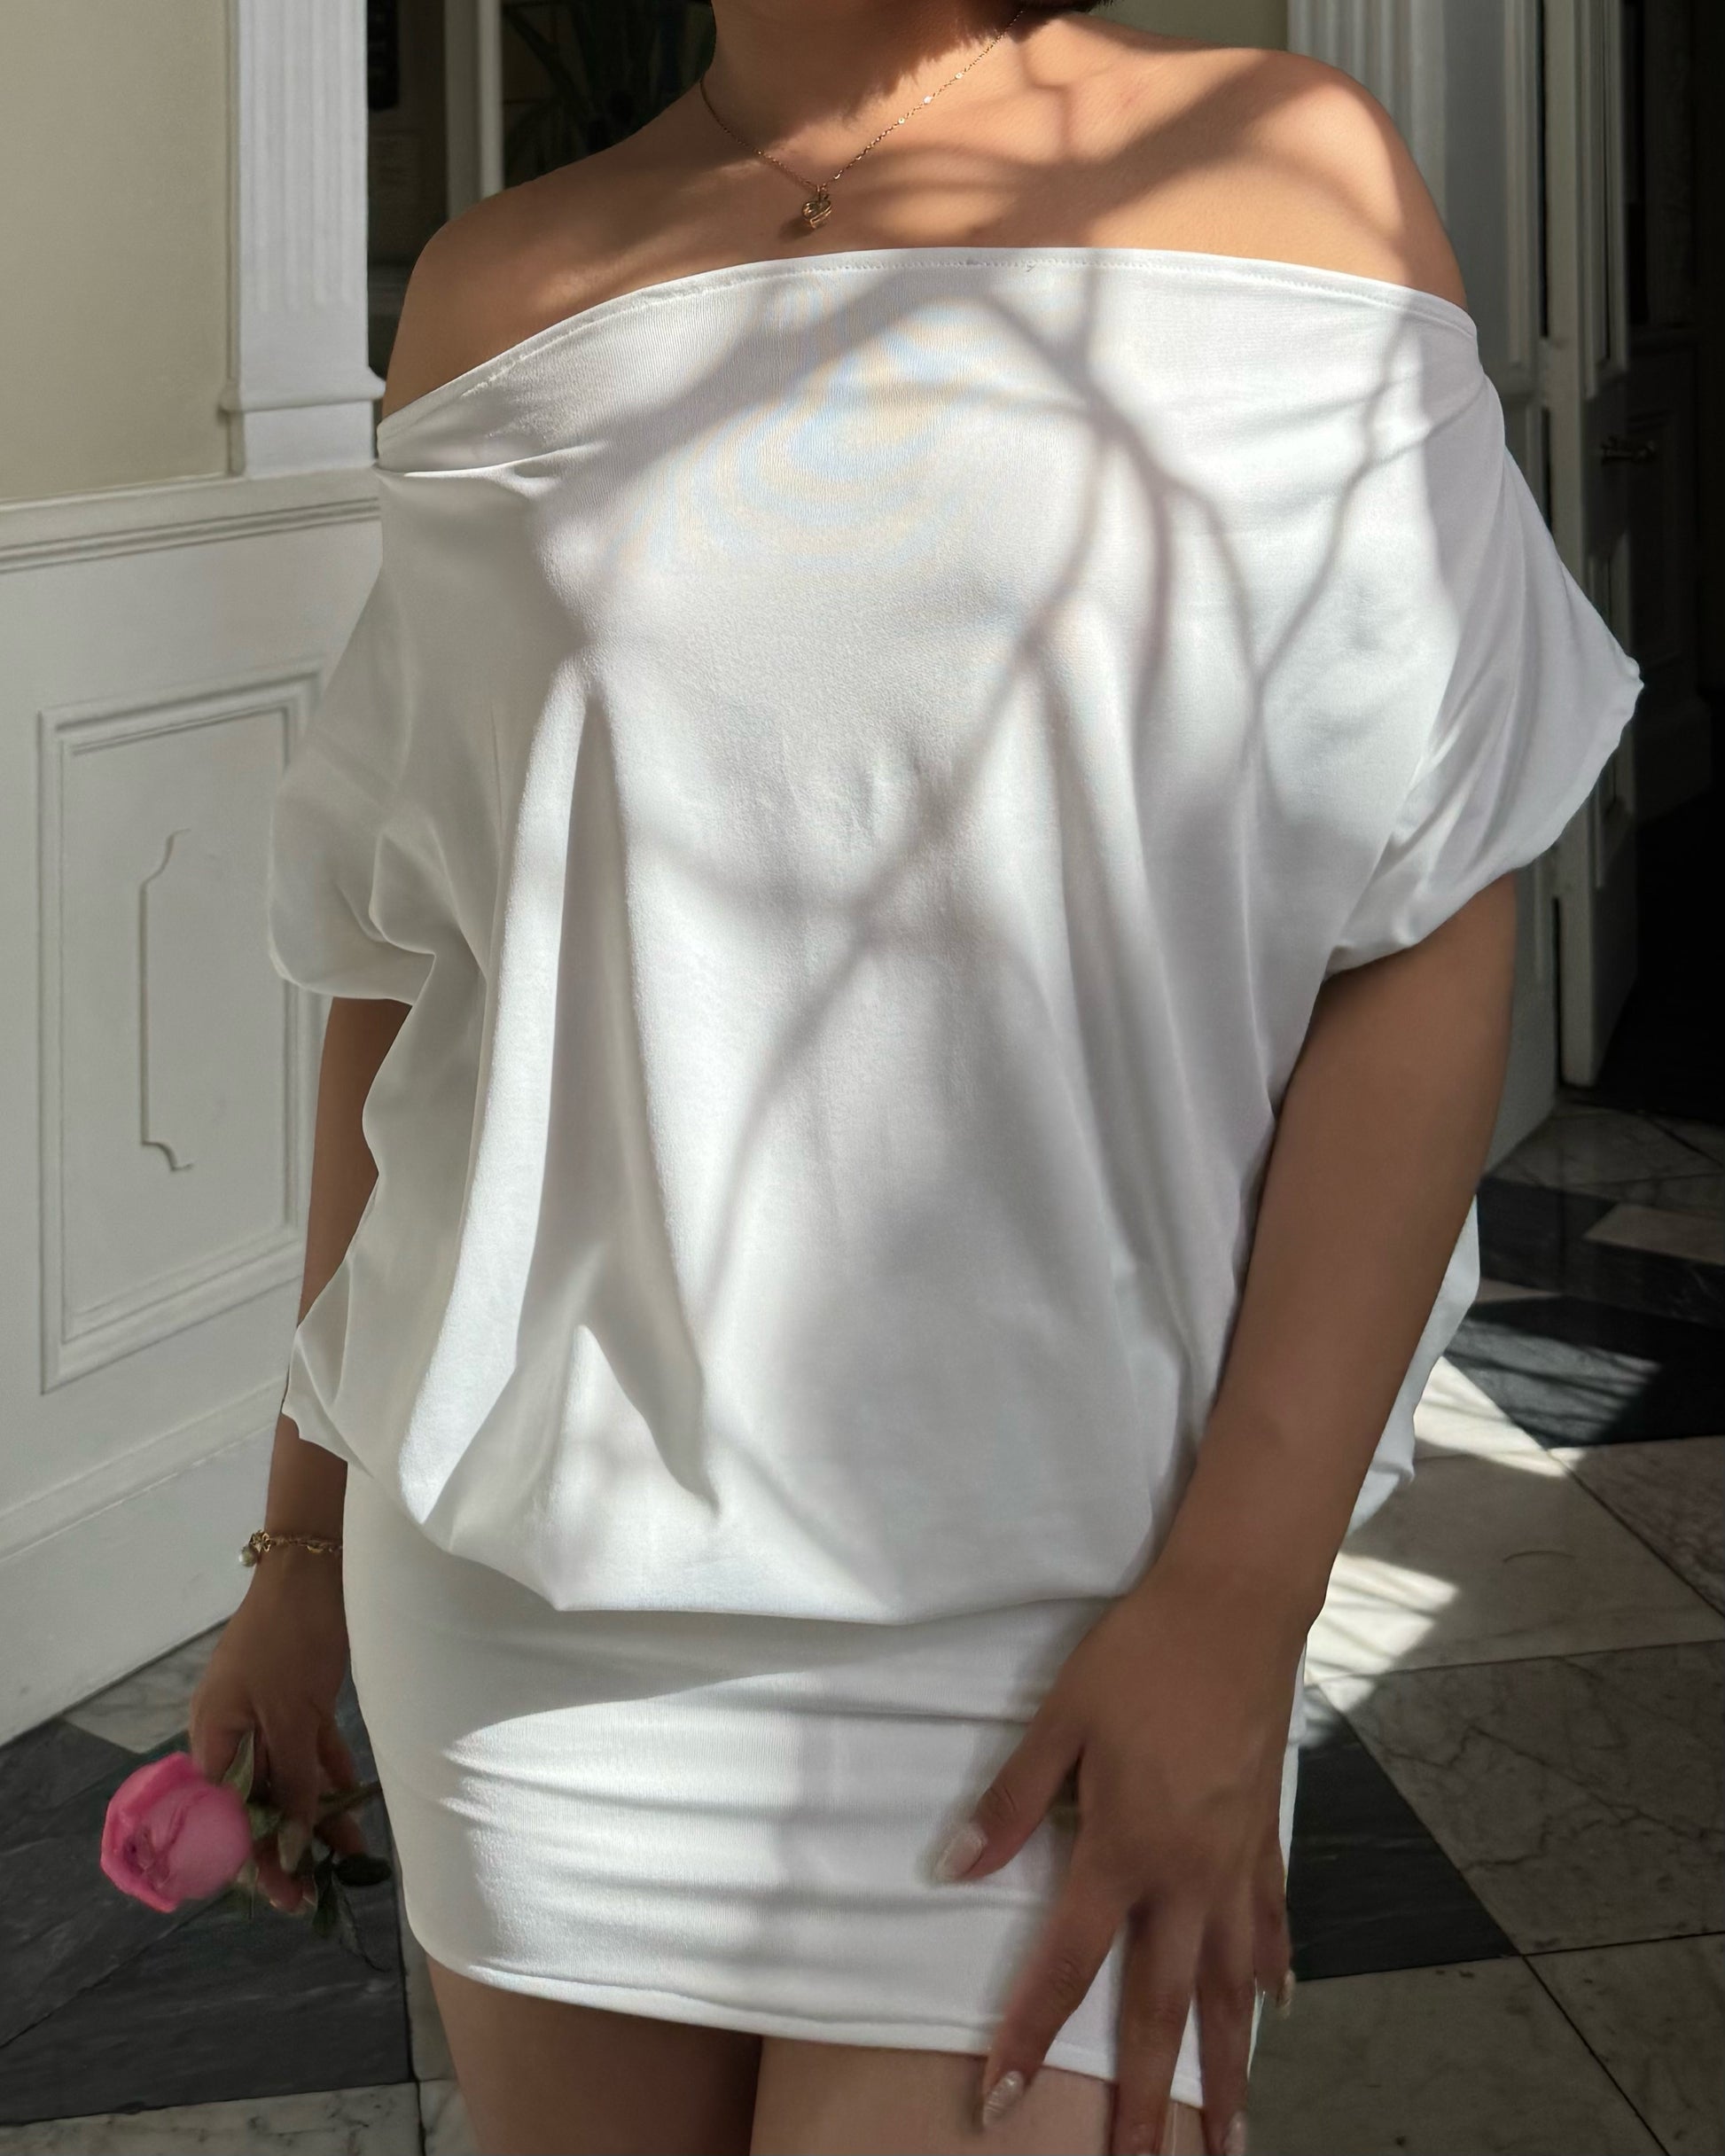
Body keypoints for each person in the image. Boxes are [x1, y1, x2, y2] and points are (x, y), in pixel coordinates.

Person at [189, 5, 1642, 2153]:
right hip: (528, 1623)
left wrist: (1241, 1603)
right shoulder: (500, 282)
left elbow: (1423, 906)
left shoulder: (1288, 175)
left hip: (1082, 1601)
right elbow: (414, 970)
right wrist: (299, 1547)